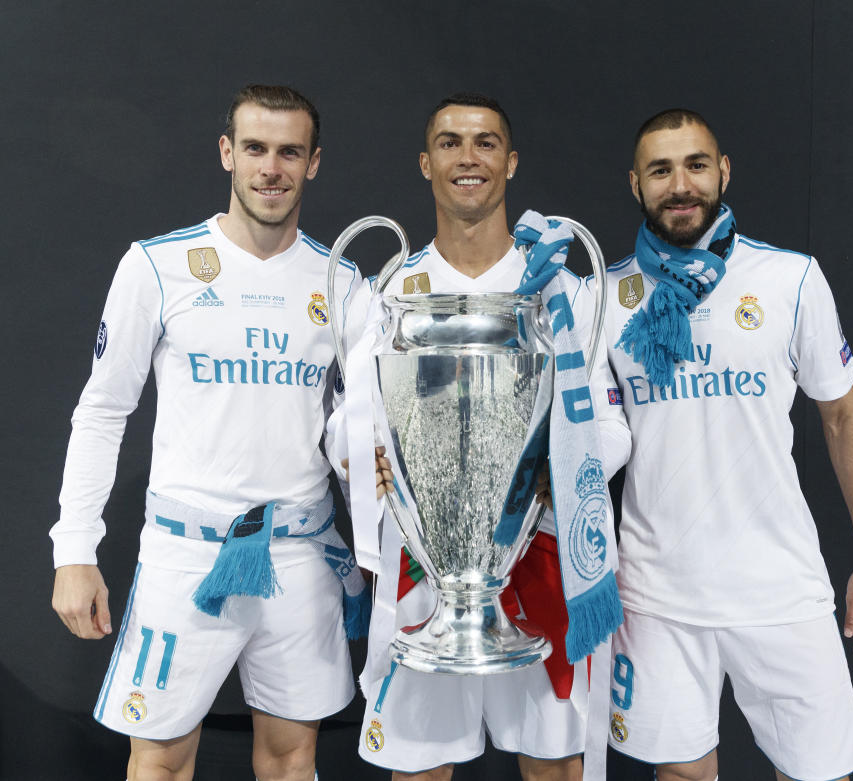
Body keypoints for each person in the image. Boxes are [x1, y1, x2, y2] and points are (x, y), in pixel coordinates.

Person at [50, 84, 364, 781]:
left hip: (300, 555)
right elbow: (103, 410)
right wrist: (73, 546)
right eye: (255, 148)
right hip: (186, 555)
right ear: (228, 153)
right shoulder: (156, 266)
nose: (270, 168)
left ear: (313, 163)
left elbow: (363, 434)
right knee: (160, 759)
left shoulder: (342, 280)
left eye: (290, 152)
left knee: (293, 757)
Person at [328, 93, 631, 781]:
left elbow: (611, 426)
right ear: (426, 162)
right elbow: (343, 421)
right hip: (421, 576)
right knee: (419, 772)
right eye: (450, 142)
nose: (469, 157)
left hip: (538, 561)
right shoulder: (391, 291)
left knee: (555, 769)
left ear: (511, 161)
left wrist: (563, 465)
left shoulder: (561, 291)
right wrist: (360, 458)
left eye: (486, 142)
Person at [602, 109, 853, 781]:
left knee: (820, 775)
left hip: (778, 585)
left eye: (696, 165)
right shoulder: (604, 295)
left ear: (723, 171)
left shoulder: (789, 279)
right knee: (679, 775)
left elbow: (843, 416)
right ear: (636, 183)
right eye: (661, 169)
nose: (681, 184)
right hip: (657, 592)